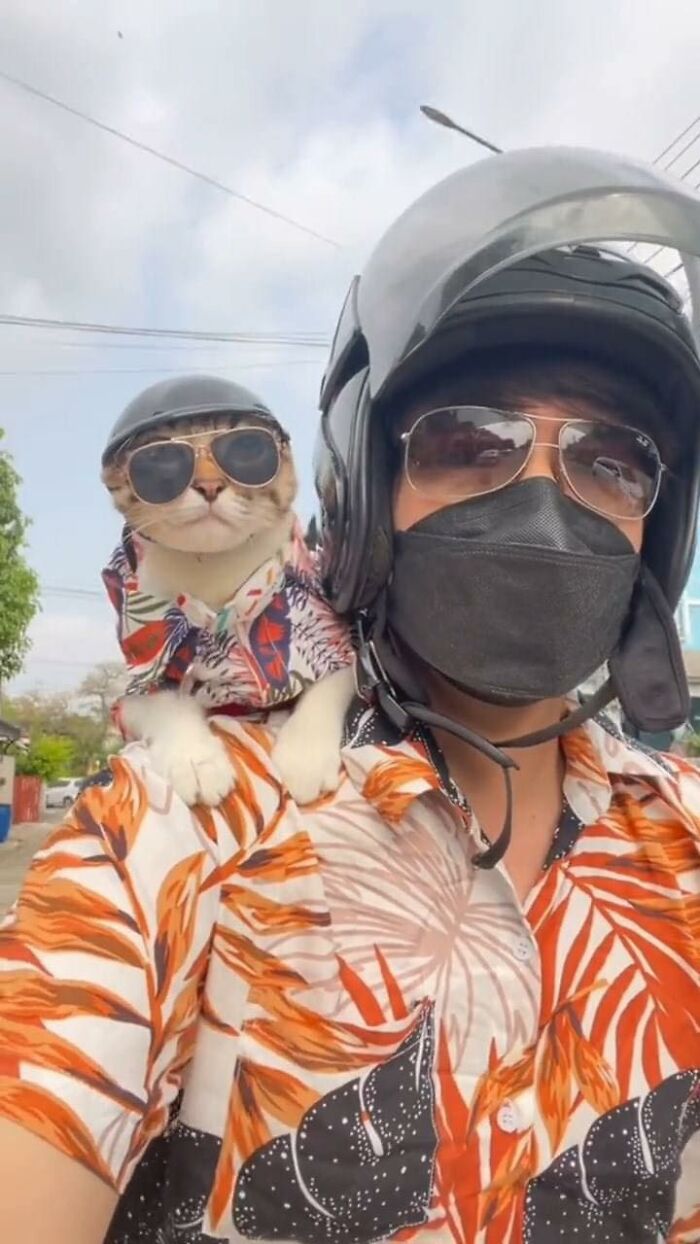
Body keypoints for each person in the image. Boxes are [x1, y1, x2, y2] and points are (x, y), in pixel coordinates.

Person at [1, 146, 700, 1244]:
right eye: (470, 441)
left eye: (611, 460)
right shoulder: (179, 823)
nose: (540, 500)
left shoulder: (684, 836)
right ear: (363, 491)